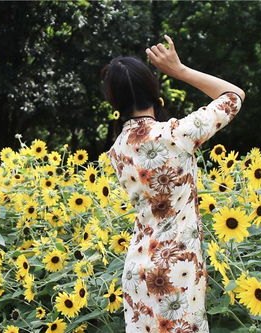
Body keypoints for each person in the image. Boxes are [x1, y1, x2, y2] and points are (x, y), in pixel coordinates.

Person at [101, 35, 244, 332]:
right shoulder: (177, 134)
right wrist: (179, 70)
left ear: (114, 101)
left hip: (137, 270)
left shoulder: (117, 150)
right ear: (152, 89)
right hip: (178, 267)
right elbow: (233, 95)